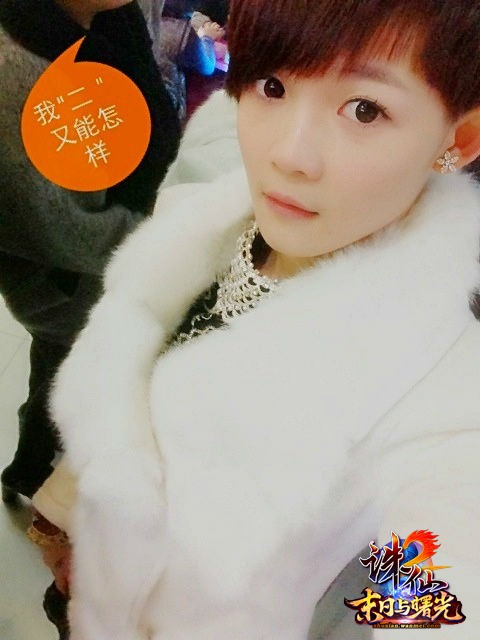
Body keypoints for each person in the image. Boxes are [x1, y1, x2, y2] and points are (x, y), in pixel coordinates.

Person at [40, 0, 480, 638]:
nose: (290, 155)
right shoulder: (206, 207)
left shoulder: (441, 396)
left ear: (458, 141)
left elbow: (433, 599)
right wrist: (78, 524)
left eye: (365, 109)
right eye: (272, 86)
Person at [0, 0, 180, 503]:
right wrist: (170, 234)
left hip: (119, 242)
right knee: (75, 368)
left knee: (68, 366)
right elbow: (69, 231)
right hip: (68, 279)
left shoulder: (111, 14)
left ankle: (36, 462)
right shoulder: (19, 70)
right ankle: (36, 472)